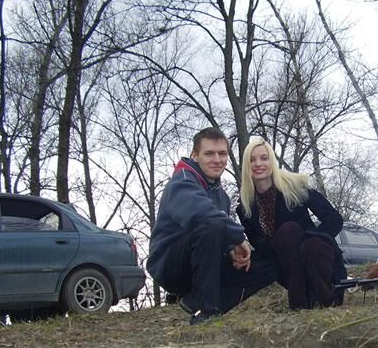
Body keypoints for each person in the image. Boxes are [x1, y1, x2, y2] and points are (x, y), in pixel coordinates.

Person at [147, 128, 278, 325]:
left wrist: (231, 251)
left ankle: (195, 301)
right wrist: (238, 238)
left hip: (205, 266)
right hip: (171, 266)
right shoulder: (182, 181)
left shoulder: (222, 196)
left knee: (269, 263)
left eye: (222, 154)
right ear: (195, 155)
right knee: (211, 224)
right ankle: (207, 311)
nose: (217, 160)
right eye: (209, 153)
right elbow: (203, 216)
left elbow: (217, 235)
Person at [237, 137, 347, 310]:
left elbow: (334, 220)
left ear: (272, 162)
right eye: (252, 160)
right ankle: (300, 302)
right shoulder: (245, 208)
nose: (258, 164)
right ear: (246, 166)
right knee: (286, 235)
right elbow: (259, 244)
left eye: (264, 158)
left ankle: (327, 299)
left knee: (294, 233)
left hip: (317, 257)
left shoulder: (295, 187)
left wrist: (309, 239)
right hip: (286, 266)